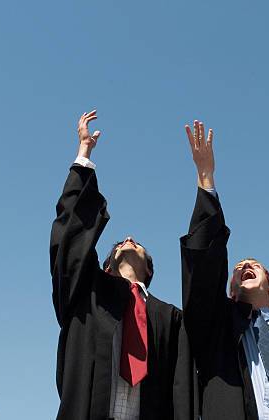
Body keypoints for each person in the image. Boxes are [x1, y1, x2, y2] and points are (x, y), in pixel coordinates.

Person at [50, 111, 196, 420]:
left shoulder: (171, 319)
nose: (128, 238)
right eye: (118, 245)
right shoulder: (86, 295)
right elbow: (70, 239)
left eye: (137, 244)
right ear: (106, 268)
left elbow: (182, 389)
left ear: (149, 270)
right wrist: (83, 157)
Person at [180, 120, 269, 420]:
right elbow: (204, 271)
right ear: (231, 291)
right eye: (238, 269)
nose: (245, 265)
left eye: (255, 265)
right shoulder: (216, 329)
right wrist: (206, 178)